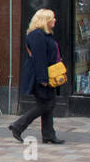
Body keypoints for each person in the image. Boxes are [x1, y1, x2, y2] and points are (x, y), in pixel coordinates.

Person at [10, 9, 65, 144]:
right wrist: (42, 79)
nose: (55, 20)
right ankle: (18, 126)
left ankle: (48, 134)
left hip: (47, 74)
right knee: (45, 105)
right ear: (45, 20)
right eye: (52, 18)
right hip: (40, 75)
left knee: (48, 104)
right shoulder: (37, 35)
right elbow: (40, 59)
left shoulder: (45, 35)